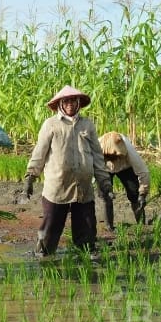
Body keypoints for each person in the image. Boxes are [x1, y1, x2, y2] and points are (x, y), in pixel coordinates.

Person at [23, 85, 113, 256]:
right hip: (57, 187)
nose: (70, 104)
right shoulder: (51, 125)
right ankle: (44, 256)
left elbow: (97, 156)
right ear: (60, 104)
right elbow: (39, 153)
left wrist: (104, 182)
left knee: (86, 230)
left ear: (78, 103)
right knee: (50, 229)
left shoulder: (87, 125)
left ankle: (86, 259)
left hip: (83, 188)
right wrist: (30, 178)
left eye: (73, 100)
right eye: (66, 101)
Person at [98, 131, 150, 229]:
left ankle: (142, 225)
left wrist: (143, 194)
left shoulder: (128, 148)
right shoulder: (97, 147)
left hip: (125, 167)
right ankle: (109, 226)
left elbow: (143, 172)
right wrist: (106, 187)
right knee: (106, 196)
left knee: (134, 193)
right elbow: (93, 170)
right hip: (104, 169)